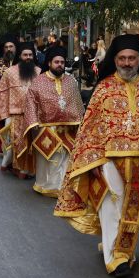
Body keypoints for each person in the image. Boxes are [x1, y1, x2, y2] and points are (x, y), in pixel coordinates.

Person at [54, 34, 139, 277]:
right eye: (122, 58)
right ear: (115, 60)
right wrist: (93, 162)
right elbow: (89, 129)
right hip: (108, 160)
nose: (127, 63)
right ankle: (115, 258)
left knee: (134, 210)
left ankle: (124, 252)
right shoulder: (104, 89)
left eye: (132, 58)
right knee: (113, 208)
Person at [18, 46, 85, 196]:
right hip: (46, 128)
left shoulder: (71, 81)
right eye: (56, 62)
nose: (60, 65)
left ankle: (62, 187)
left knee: (65, 159)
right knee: (48, 160)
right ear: (49, 63)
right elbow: (31, 103)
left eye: (62, 62)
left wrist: (80, 122)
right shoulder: (39, 81)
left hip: (67, 129)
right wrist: (34, 123)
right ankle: (45, 185)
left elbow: (77, 104)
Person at [0, 43, 39, 178]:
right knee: (13, 143)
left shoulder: (39, 72)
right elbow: (1, 93)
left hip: (33, 114)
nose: (28, 57)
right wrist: (3, 113)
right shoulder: (9, 72)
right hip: (13, 114)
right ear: (19, 56)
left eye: (30, 55)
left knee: (30, 143)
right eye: (25, 55)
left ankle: (26, 170)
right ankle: (11, 166)